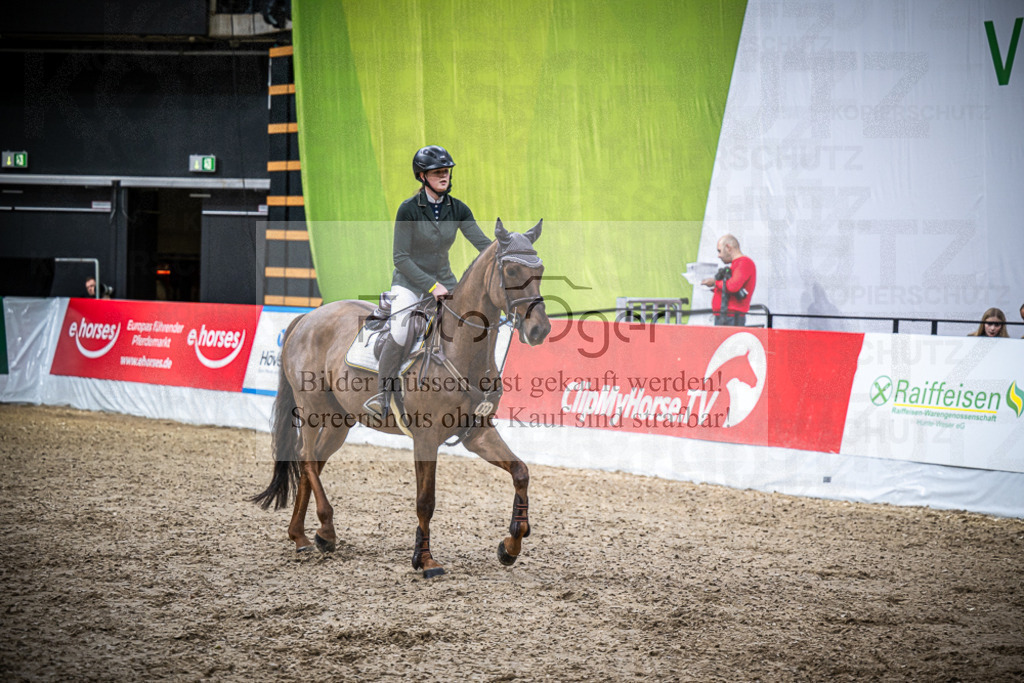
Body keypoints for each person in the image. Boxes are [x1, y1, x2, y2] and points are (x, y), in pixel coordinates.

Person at [364, 145, 492, 419]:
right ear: (422, 176)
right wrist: (431, 286)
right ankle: (381, 396)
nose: (444, 176)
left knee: (471, 327)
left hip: (447, 284)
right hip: (410, 283)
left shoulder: (458, 208)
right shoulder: (408, 210)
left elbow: (483, 245)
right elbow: (400, 257)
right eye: (437, 172)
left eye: (446, 171)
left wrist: (507, 249)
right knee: (400, 331)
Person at [700, 234, 756, 326]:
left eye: (719, 251)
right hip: (726, 316)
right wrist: (714, 286)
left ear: (728, 248)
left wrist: (715, 283)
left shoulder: (744, 263)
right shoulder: (738, 264)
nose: (719, 255)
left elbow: (732, 286)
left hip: (731, 317)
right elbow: (730, 287)